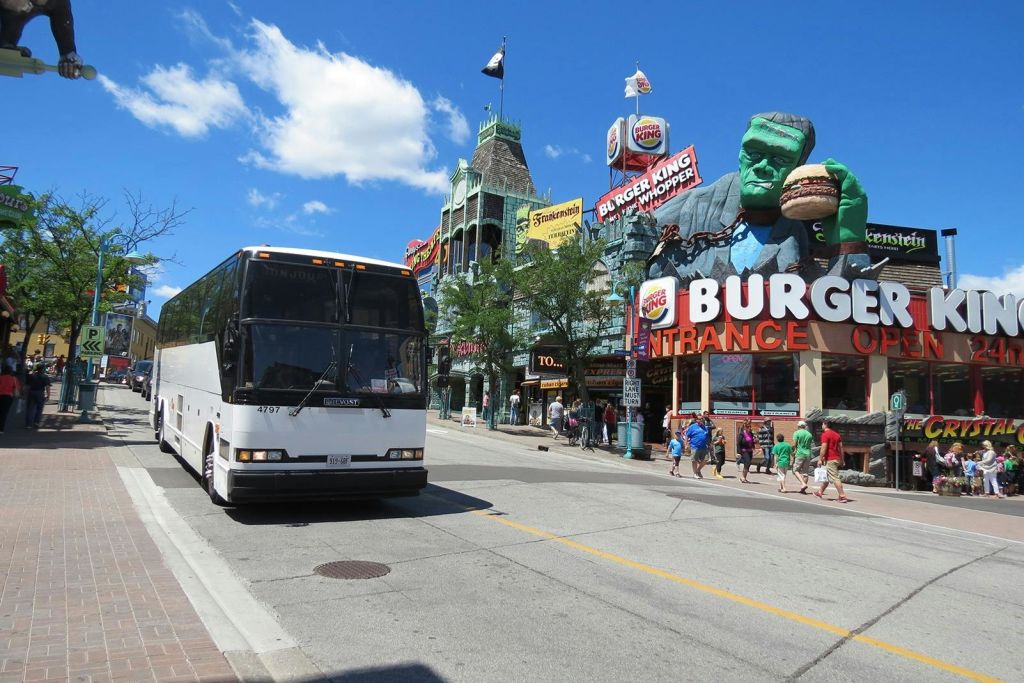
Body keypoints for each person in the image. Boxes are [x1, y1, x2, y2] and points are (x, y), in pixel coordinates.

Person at [648, 112, 875, 286]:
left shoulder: (802, 229)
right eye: (754, 154)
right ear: (740, 156)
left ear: (798, 168)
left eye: (779, 158)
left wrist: (849, 240)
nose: (763, 167)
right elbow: (629, 254)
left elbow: (842, 316)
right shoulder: (694, 207)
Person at [814, 419, 849, 503]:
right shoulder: (837, 435)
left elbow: (824, 447)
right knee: (826, 476)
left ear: (825, 425)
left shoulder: (825, 434)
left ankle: (842, 496)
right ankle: (820, 492)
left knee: (834, 477)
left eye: (822, 424)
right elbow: (841, 448)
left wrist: (820, 459)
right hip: (836, 458)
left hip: (830, 459)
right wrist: (842, 459)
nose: (821, 426)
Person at [24, 364, 51, 429]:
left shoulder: (31, 376)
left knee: (30, 409)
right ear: (43, 369)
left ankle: (28, 424)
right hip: (40, 393)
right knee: (39, 409)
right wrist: (48, 395)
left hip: (31, 392)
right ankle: (36, 422)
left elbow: (27, 386)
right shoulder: (45, 377)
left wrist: (24, 393)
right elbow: (47, 387)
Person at [791, 420, 814, 494]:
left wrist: (792, 451)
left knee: (795, 470)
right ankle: (803, 489)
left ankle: (803, 484)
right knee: (805, 472)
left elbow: (794, 444)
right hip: (808, 454)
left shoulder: (797, 433)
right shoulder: (809, 434)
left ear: (799, 426)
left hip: (800, 453)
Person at [0, 365, 21, 432]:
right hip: (8, 397)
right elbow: (17, 388)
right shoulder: (14, 378)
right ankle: (1, 429)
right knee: (4, 413)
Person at [736, 419, 756, 484]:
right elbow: (738, 443)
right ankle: (743, 477)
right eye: (748, 426)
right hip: (744, 451)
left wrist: (754, 447)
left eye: (750, 426)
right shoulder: (741, 434)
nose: (749, 428)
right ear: (744, 426)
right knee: (747, 462)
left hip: (750, 451)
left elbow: (752, 442)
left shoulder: (751, 433)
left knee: (748, 464)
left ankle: (743, 477)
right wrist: (738, 452)